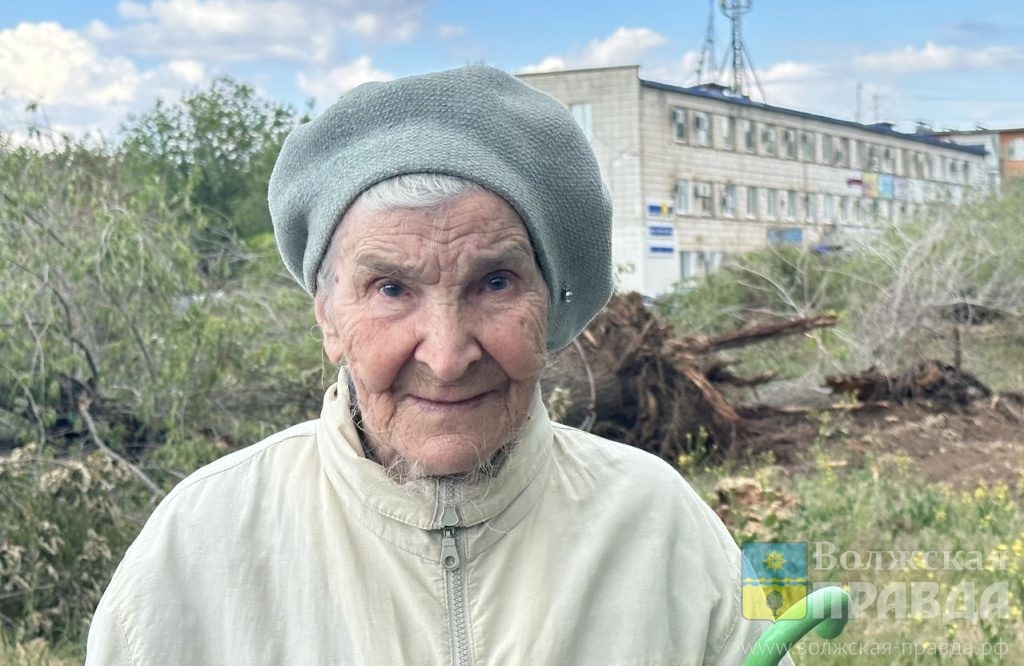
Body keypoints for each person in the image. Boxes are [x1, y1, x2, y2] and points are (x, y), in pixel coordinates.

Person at [86, 65, 786, 665]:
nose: (448, 358)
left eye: (496, 282)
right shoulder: (197, 545)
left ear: (552, 304)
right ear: (329, 316)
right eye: (391, 288)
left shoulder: (661, 522)